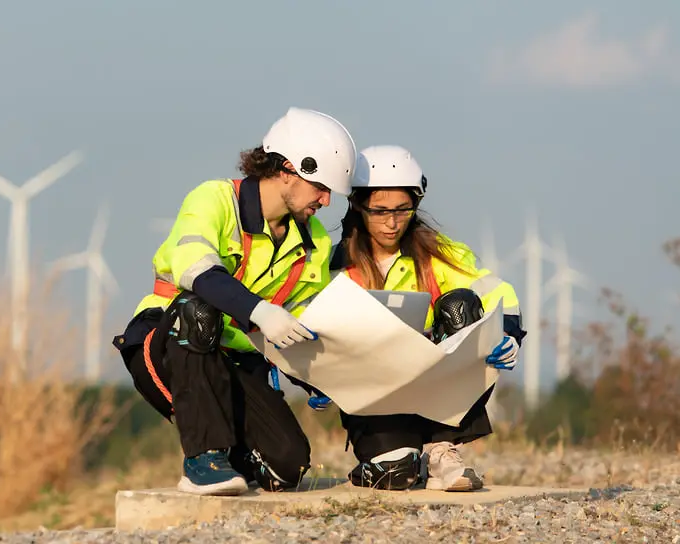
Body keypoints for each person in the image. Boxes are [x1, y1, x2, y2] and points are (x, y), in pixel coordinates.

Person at [111, 107, 358, 496]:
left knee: (287, 466)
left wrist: (319, 373)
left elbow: (304, 320)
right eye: (321, 188)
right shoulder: (213, 200)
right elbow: (196, 269)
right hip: (168, 344)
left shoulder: (315, 242)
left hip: (234, 362)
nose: (326, 201)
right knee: (200, 309)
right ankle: (203, 460)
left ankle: (229, 455)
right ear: (288, 170)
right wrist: (259, 311)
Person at [321, 144, 527, 492]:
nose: (391, 222)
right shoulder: (333, 265)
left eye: (403, 210)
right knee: (396, 476)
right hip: (371, 393)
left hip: (430, 385)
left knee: (461, 304)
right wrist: (316, 380)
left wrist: (508, 334)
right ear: (358, 206)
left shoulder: (438, 253)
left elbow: (497, 292)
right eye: (380, 211)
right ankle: (394, 461)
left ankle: (442, 448)